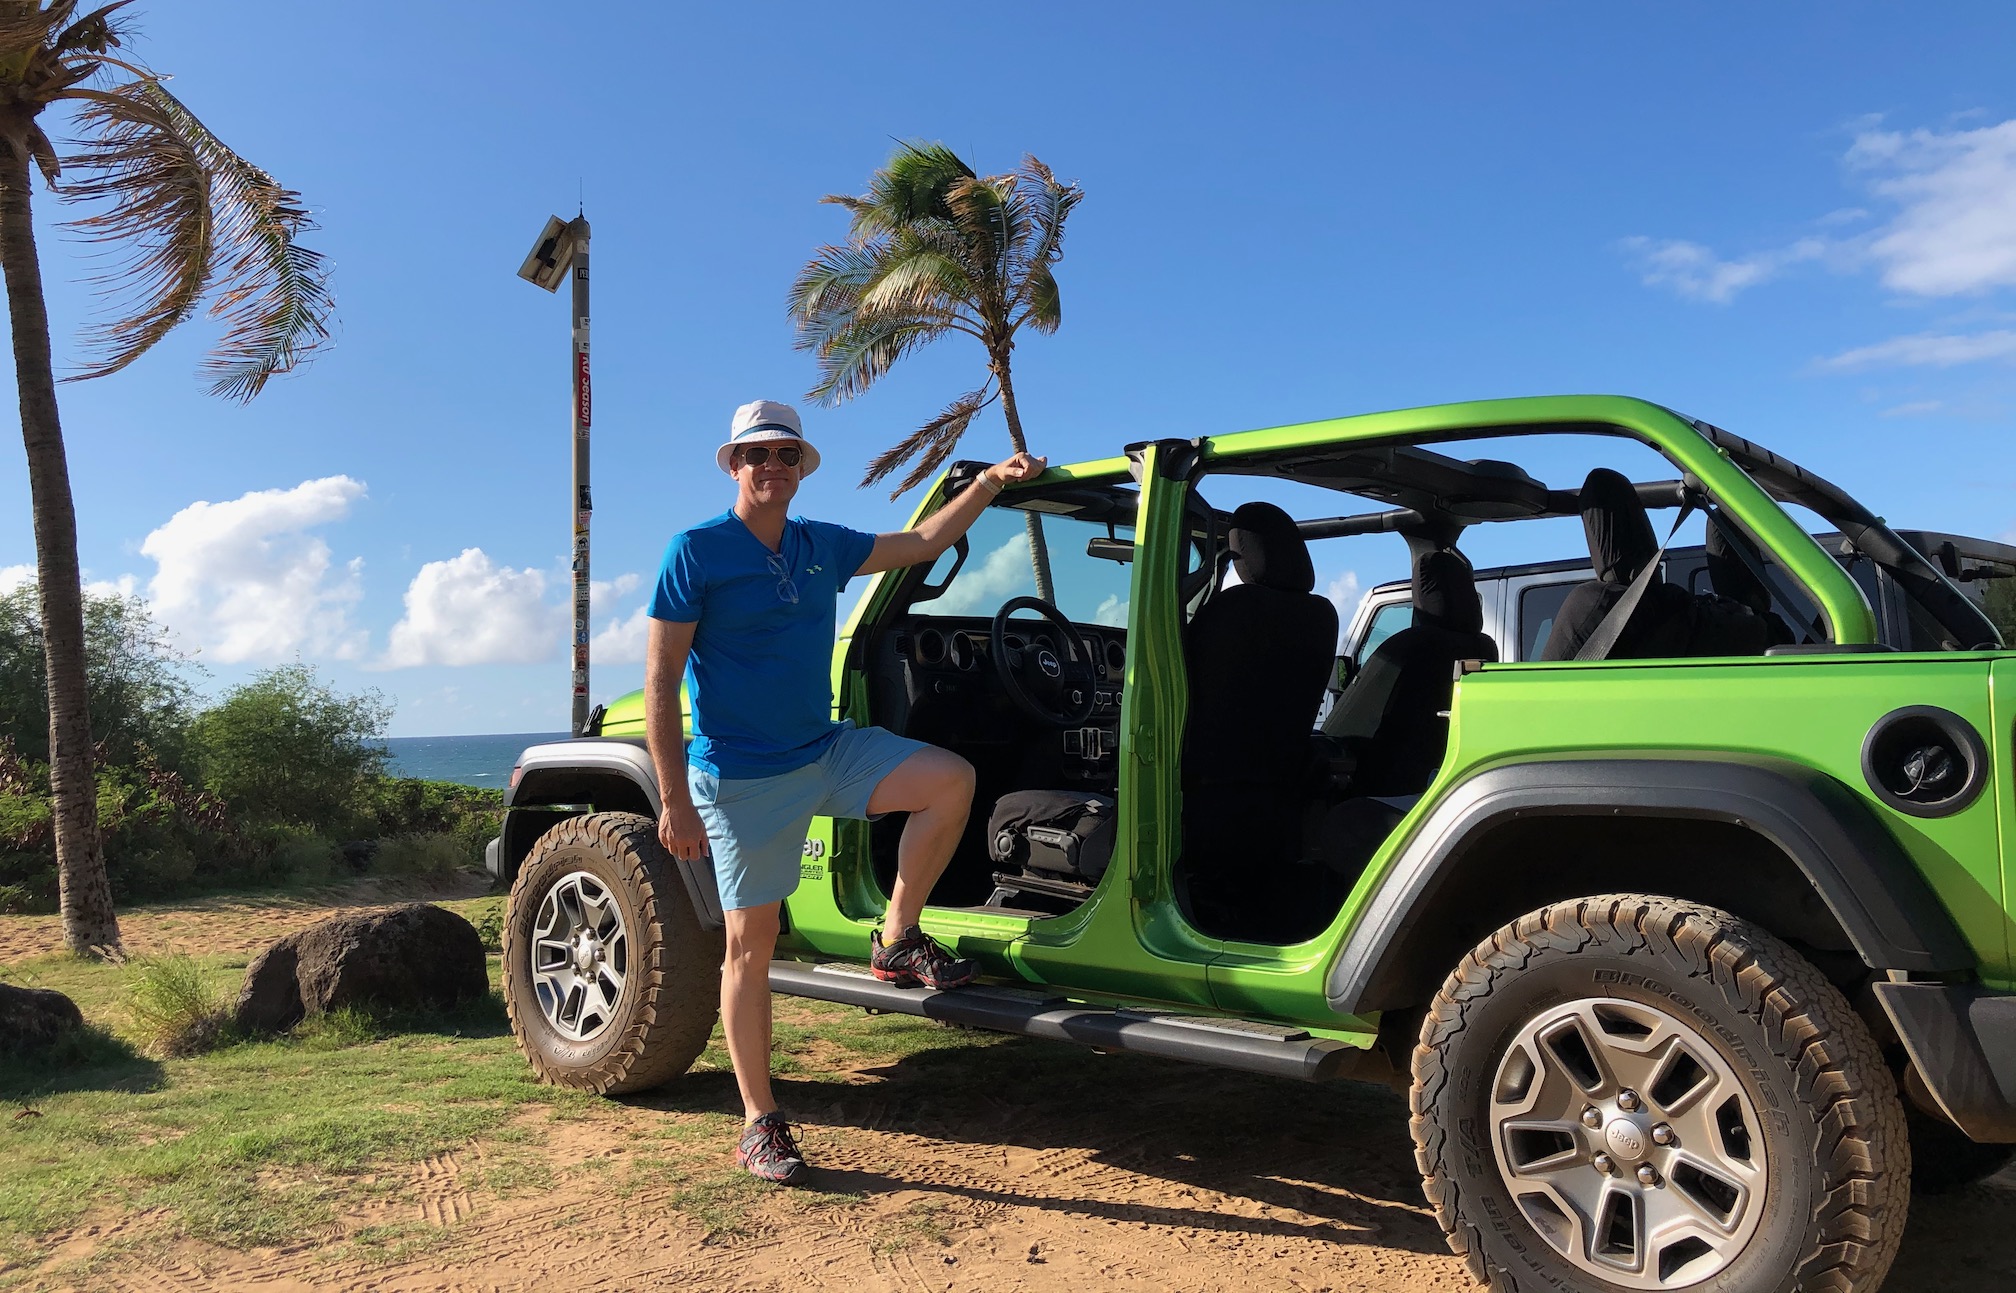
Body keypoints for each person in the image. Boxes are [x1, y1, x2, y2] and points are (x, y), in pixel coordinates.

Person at [644, 398, 1045, 1185]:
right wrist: (675, 798)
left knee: (948, 779)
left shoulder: (820, 544)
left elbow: (926, 540)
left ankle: (895, 937)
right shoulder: (695, 551)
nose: (772, 467)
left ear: (800, 467)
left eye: (786, 455)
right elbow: (660, 682)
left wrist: (993, 481)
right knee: (749, 950)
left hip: (824, 749)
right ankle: (761, 1121)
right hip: (743, 774)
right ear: (733, 465)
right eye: (757, 455)